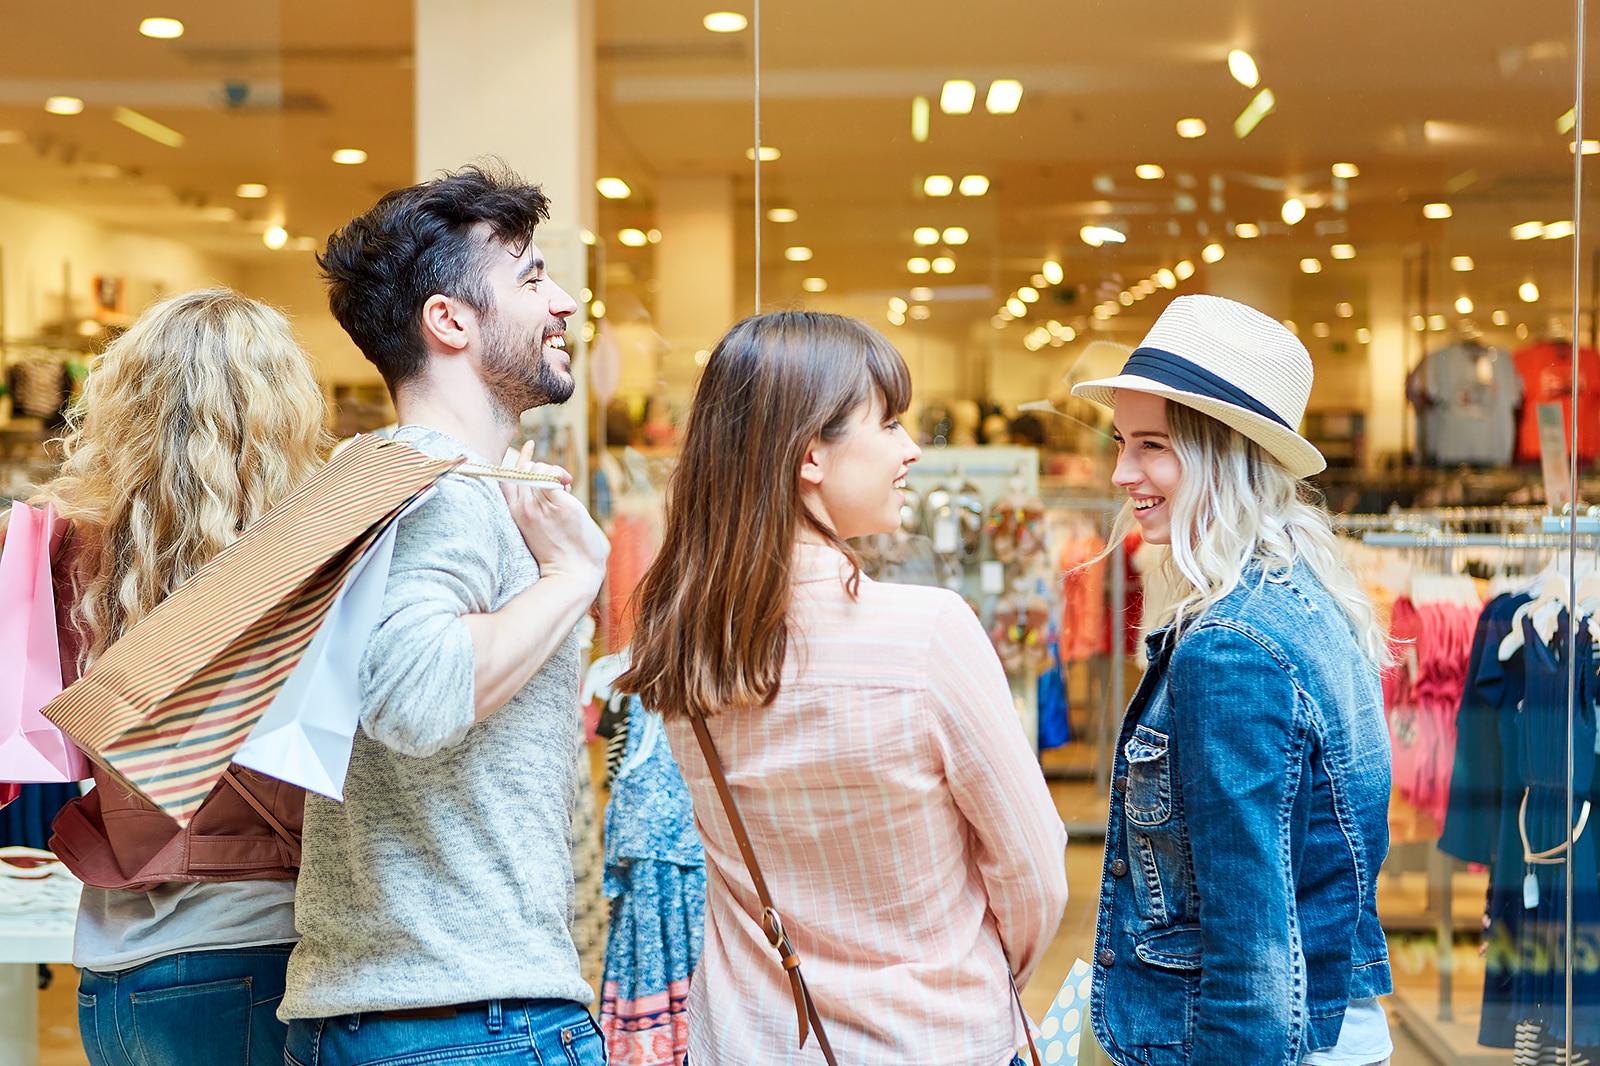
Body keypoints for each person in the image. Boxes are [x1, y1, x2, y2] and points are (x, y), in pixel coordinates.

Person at [619, 310, 1069, 1066]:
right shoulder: (928, 634)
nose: (911, 449)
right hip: (932, 1037)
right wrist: (977, 977)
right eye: (888, 424)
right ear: (810, 459)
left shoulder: (685, 646)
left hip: (752, 1036)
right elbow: (1034, 872)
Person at [279, 162, 611, 1066]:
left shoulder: (386, 477)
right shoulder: (442, 490)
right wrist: (572, 577)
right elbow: (417, 695)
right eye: (534, 278)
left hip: (412, 1007)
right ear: (451, 320)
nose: (568, 303)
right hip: (466, 1015)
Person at [8, 288, 330, 1066]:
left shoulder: (61, 548)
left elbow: (38, 750)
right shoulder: (313, 555)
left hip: (110, 964)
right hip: (254, 947)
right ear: (281, 408)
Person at [1070, 294, 1393, 1066]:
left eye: (1152, 445)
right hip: (1328, 1024)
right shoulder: (1306, 595)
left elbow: (1251, 946)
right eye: (1121, 441)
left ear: (1224, 452)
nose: (1122, 472)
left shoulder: (1231, 647)